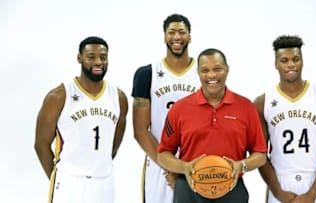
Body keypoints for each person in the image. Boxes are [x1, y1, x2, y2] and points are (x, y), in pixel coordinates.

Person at [158, 48, 267, 203]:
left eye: (217, 69)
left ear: (227, 70)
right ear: (198, 73)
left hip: (231, 187)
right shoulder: (180, 109)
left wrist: (240, 166)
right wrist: (184, 167)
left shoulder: (246, 107)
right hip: (190, 189)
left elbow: (260, 155)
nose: (211, 75)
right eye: (205, 70)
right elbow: (163, 154)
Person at [34, 36, 128, 203]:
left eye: (103, 57)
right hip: (70, 183)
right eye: (91, 57)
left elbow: (114, 142)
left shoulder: (118, 97)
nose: (98, 62)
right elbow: (41, 144)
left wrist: (99, 164)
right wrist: (58, 178)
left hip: (104, 182)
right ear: (80, 58)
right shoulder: (59, 96)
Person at [253, 35, 316, 203]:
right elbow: (260, 153)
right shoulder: (262, 102)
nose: (291, 64)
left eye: (296, 59)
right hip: (281, 181)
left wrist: (312, 194)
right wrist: (278, 192)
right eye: (284, 60)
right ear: (276, 64)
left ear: (302, 61)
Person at [131, 13, 200, 203]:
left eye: (182, 32)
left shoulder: (203, 72)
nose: (177, 37)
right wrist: (170, 167)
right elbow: (140, 131)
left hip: (197, 164)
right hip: (159, 164)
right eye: (172, 32)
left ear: (190, 36)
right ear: (164, 36)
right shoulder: (147, 74)